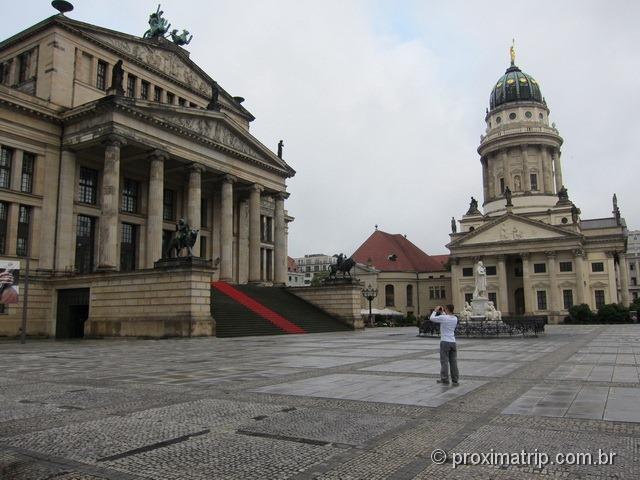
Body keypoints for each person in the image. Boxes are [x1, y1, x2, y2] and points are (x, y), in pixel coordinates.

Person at [429, 304, 459, 385]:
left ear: (447, 309)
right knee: (453, 362)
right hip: (453, 342)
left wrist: (435, 310)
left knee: (444, 361)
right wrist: (442, 312)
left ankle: (445, 379)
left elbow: (431, 318)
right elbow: (446, 317)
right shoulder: (455, 318)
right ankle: (455, 379)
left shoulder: (444, 318)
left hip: (445, 342)